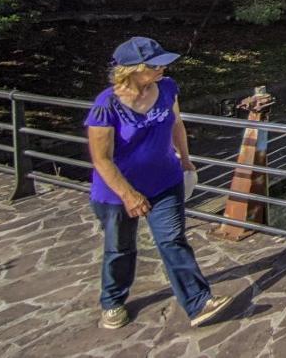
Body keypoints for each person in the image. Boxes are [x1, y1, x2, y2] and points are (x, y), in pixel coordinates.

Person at [85, 36, 233, 330]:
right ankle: (113, 301)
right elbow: (101, 159)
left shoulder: (167, 88)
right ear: (131, 70)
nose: (162, 69)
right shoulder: (107, 105)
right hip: (117, 193)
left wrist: (186, 160)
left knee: (173, 241)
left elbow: (176, 123)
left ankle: (198, 302)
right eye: (155, 66)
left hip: (166, 180)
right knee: (120, 248)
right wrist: (128, 195)